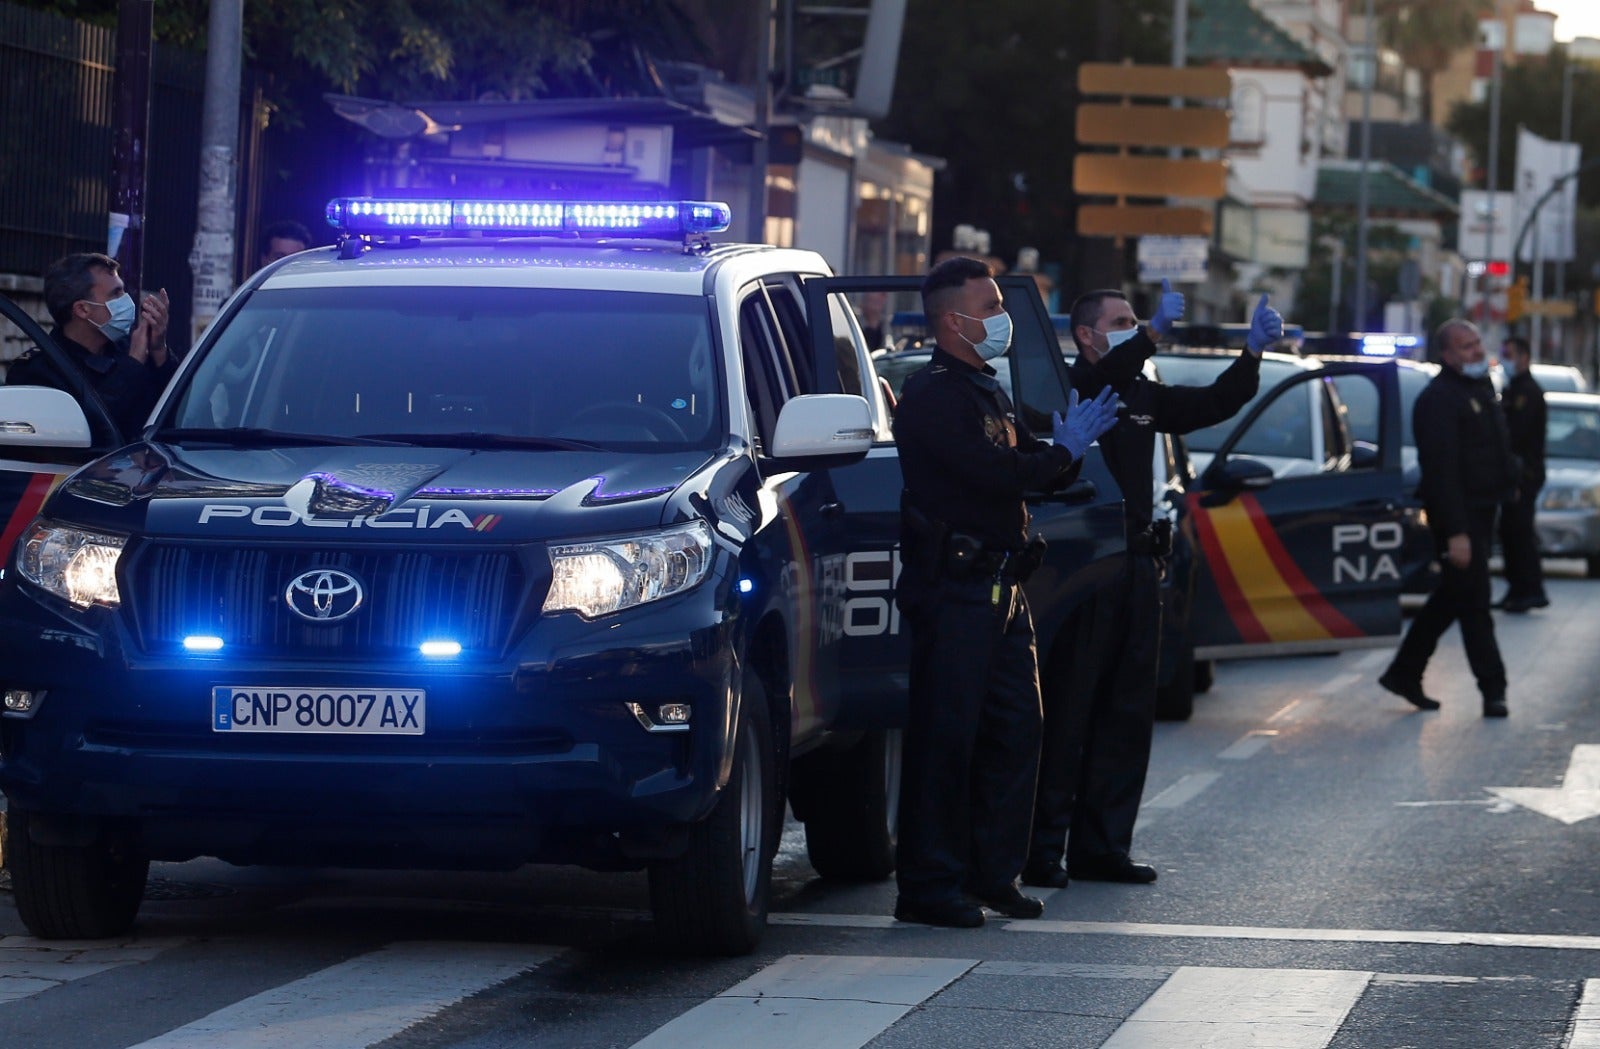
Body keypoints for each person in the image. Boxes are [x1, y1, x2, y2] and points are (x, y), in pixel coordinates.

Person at [892, 255, 1121, 928]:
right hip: (954, 589)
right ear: (952, 320)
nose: (1001, 318)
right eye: (990, 307)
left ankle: (996, 875)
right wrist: (1062, 454)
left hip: (1001, 587)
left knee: (1016, 732)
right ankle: (930, 885)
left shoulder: (986, 388)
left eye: (1000, 303)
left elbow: (1024, 460)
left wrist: (1060, 453)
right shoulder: (932, 395)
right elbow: (995, 471)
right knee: (947, 739)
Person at [1023, 283, 1275, 891]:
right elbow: (1108, 374)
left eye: (1137, 322)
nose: (1135, 329)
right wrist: (1153, 332)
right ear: (1086, 334)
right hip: (1085, 569)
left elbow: (1213, 404)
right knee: (1071, 709)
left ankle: (1104, 847)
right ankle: (1043, 850)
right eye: (1124, 321)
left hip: (1137, 565)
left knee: (1128, 713)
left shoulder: (1139, 391)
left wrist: (1251, 356)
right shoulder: (1071, 386)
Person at [1379, 320, 1516, 718]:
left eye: (1477, 342)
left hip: (1482, 512)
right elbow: (1442, 472)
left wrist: (1512, 481)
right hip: (1460, 517)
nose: (1475, 351)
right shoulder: (1439, 399)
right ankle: (1493, 690)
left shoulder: (1479, 389)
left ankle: (1405, 672)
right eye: (1465, 346)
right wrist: (1456, 532)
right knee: (1473, 602)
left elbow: (1492, 449)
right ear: (1447, 355)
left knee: (1458, 597)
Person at [8, 253, 174, 438]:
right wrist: (132, 365)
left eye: (123, 291)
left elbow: (180, 409)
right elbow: (89, 431)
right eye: (116, 294)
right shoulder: (39, 370)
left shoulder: (133, 347)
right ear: (82, 309)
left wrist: (159, 351)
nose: (126, 300)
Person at [1496, 335, 1548, 612]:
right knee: (1510, 531)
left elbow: (1517, 436)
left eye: (1510, 353)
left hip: (1523, 474)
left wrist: (1516, 476)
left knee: (1519, 532)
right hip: (1516, 472)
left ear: (1524, 357)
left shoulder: (1526, 391)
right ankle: (1518, 588)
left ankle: (1530, 588)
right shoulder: (1514, 388)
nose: (1505, 358)